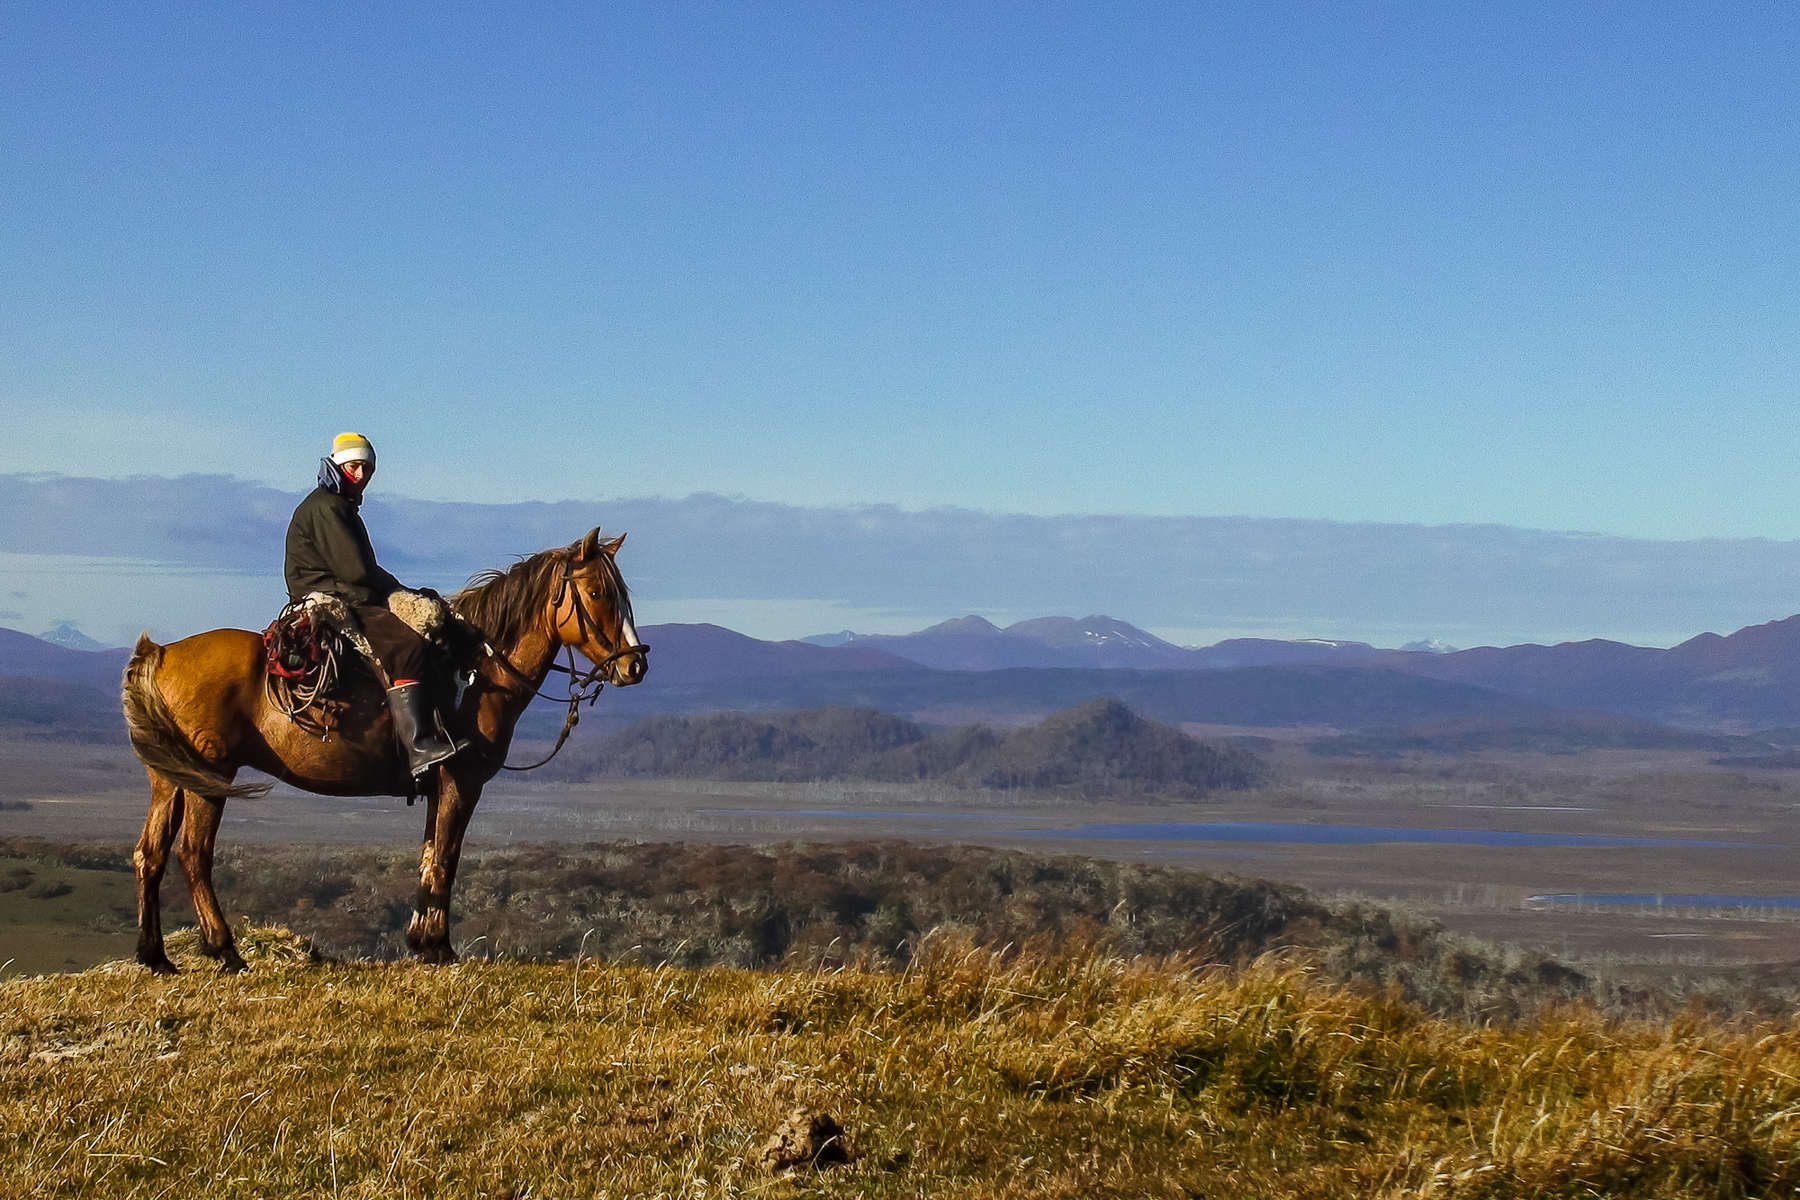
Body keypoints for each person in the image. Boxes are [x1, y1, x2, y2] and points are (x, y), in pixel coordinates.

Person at [284, 432, 466, 776]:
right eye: (355, 466)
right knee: (409, 645)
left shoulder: (334, 504)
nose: (362, 475)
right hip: (334, 595)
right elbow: (356, 571)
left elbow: (359, 570)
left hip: (341, 588)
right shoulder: (329, 507)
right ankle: (419, 745)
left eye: (367, 469)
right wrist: (397, 592)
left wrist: (400, 588)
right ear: (338, 465)